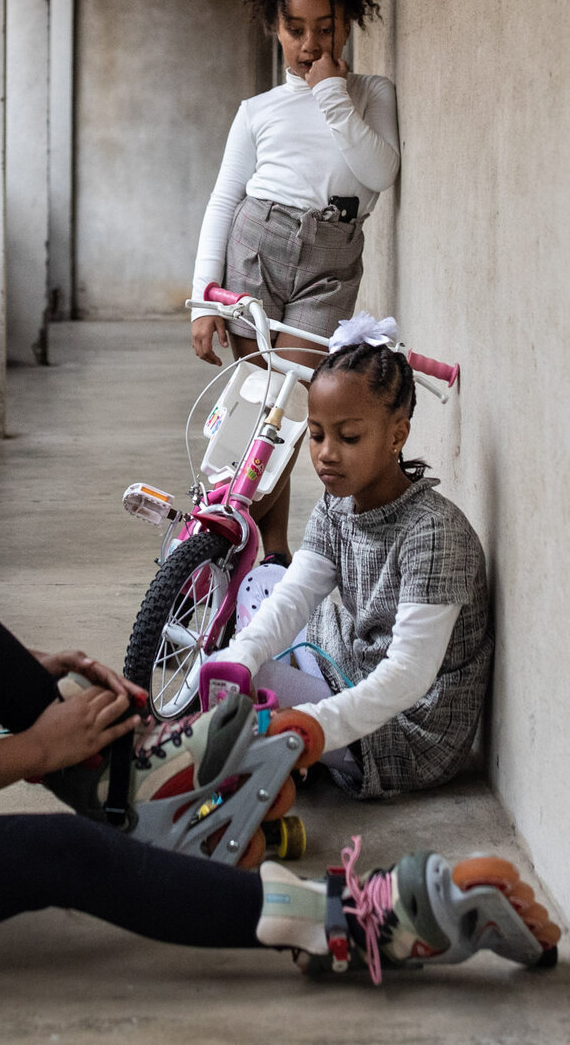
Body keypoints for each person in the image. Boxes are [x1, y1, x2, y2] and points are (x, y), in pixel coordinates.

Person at [0, 411, 556, 988]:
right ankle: (349, 923)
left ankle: (131, 790)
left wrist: (10, 664)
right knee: (61, 855)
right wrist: (36, 747)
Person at [222, 318, 493, 800]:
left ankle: (298, 746)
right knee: (261, 592)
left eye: (348, 438)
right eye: (317, 434)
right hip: (346, 663)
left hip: (401, 730)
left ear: (396, 435)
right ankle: (285, 738)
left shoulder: (433, 534)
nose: (326, 455)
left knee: (239, 685)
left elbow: (408, 676)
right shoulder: (338, 502)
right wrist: (242, 656)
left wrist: (313, 722)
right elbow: (298, 593)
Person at [189, 0, 400, 556]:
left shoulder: (371, 93)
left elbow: (378, 171)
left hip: (328, 266)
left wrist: (332, 94)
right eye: (295, 30)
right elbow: (223, 201)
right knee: (258, 407)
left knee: (287, 401)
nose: (310, 45)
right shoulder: (257, 111)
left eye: (326, 29)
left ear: (348, 24)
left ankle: (237, 537)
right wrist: (203, 300)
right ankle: (269, 550)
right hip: (256, 246)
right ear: (274, 28)